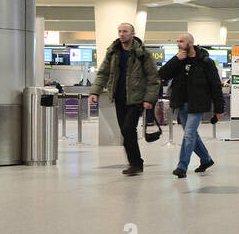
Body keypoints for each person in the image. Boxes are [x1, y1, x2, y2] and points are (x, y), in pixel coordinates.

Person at [88, 22, 160, 176]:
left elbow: (153, 78)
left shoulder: (143, 53)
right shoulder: (113, 52)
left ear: (132, 33)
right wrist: (95, 91)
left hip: (137, 99)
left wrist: (149, 99)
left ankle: (135, 163)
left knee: (128, 129)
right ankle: (134, 163)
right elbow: (103, 73)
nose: (121, 34)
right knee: (125, 131)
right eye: (120, 31)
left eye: (125, 31)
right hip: (120, 98)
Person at [157, 32, 225, 178]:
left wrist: (219, 108)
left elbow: (215, 86)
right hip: (181, 103)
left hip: (198, 104)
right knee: (192, 134)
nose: (178, 44)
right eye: (177, 41)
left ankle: (182, 167)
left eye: (181, 41)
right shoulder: (178, 61)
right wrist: (176, 59)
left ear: (190, 43)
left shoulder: (205, 62)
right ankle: (206, 159)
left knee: (188, 134)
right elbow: (162, 75)